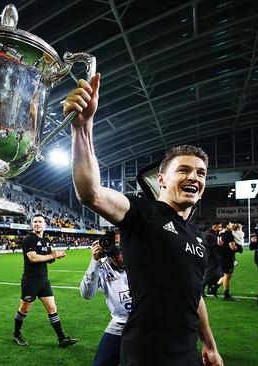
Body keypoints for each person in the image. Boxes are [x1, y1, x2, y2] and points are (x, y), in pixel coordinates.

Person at [65, 74, 223, 365]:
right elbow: (92, 194)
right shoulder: (142, 213)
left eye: (201, 173)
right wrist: (82, 128)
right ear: (161, 180)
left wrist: (210, 345)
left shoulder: (198, 237)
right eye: (184, 170)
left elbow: (194, 295)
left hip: (187, 355)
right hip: (145, 355)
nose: (194, 177)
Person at [12, 214, 79, 348]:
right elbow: (34, 258)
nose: (37, 223)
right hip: (31, 281)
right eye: (35, 221)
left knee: (52, 308)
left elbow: (49, 258)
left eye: (40, 221)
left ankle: (61, 339)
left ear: (45, 225)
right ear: (32, 225)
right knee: (24, 309)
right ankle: (16, 334)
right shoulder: (28, 239)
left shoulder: (46, 240)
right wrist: (52, 255)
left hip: (43, 281)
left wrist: (57, 255)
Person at [80, 235, 131, 366]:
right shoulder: (102, 267)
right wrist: (94, 262)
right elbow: (87, 294)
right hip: (119, 324)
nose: (118, 252)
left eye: (121, 244)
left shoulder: (141, 261)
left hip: (146, 324)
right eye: (114, 246)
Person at [213, 222, 243, 300]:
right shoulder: (228, 235)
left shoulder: (220, 234)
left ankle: (214, 288)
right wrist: (239, 248)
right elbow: (232, 248)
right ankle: (226, 295)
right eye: (230, 224)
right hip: (227, 257)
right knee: (227, 275)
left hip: (221, 256)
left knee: (228, 275)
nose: (231, 225)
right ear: (226, 226)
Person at [202, 223, 222, 297]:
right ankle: (201, 290)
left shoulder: (215, 234)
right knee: (209, 274)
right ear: (214, 227)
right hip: (210, 257)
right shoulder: (209, 235)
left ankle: (210, 290)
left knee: (214, 275)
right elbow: (206, 245)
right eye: (219, 227)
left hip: (215, 257)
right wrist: (217, 245)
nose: (220, 228)